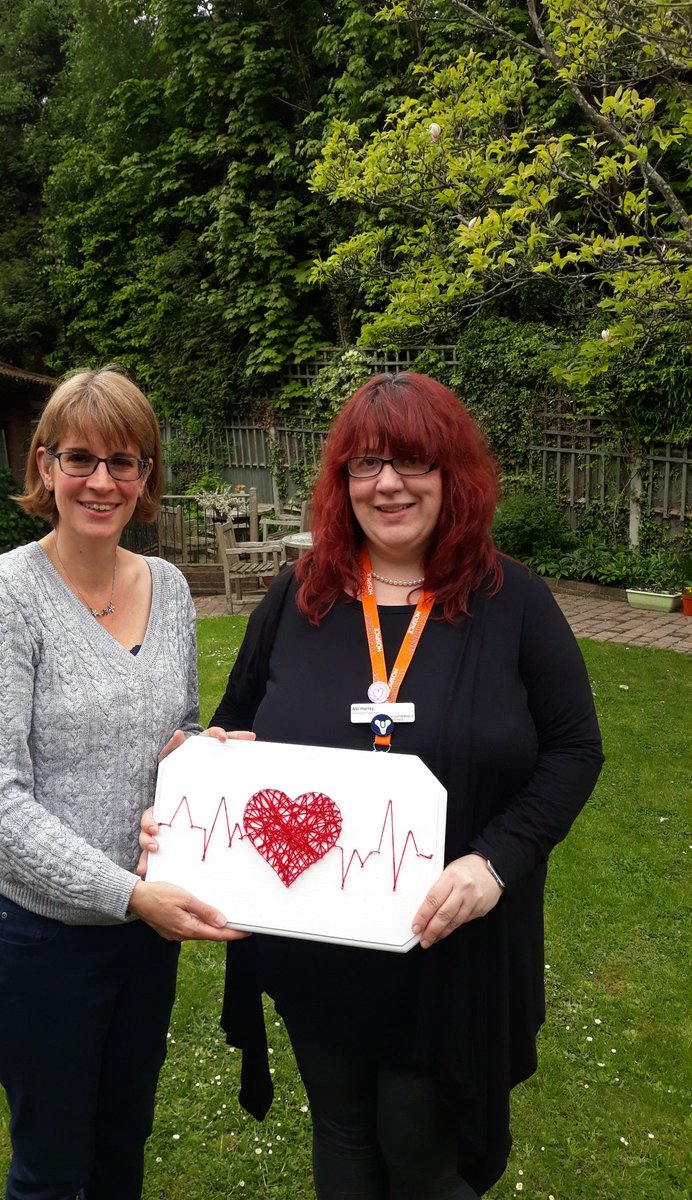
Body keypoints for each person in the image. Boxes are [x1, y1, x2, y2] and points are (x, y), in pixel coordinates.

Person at [205, 372, 603, 1197]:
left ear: (451, 474)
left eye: (412, 461)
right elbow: (234, 723)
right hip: (319, 942)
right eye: (366, 463)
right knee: (345, 1137)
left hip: (451, 941)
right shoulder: (298, 596)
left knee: (422, 1151)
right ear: (341, 482)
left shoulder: (515, 601)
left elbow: (574, 749)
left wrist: (495, 863)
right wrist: (204, 784)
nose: (387, 483)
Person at [0, 366, 245, 1200]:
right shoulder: (3, 597)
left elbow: (170, 732)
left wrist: (205, 752)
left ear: (147, 475)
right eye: (80, 458)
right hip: (42, 941)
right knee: (50, 1168)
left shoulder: (171, 588)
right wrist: (126, 893)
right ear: (44, 465)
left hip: (142, 935)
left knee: (122, 1148)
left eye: (125, 461)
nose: (102, 481)